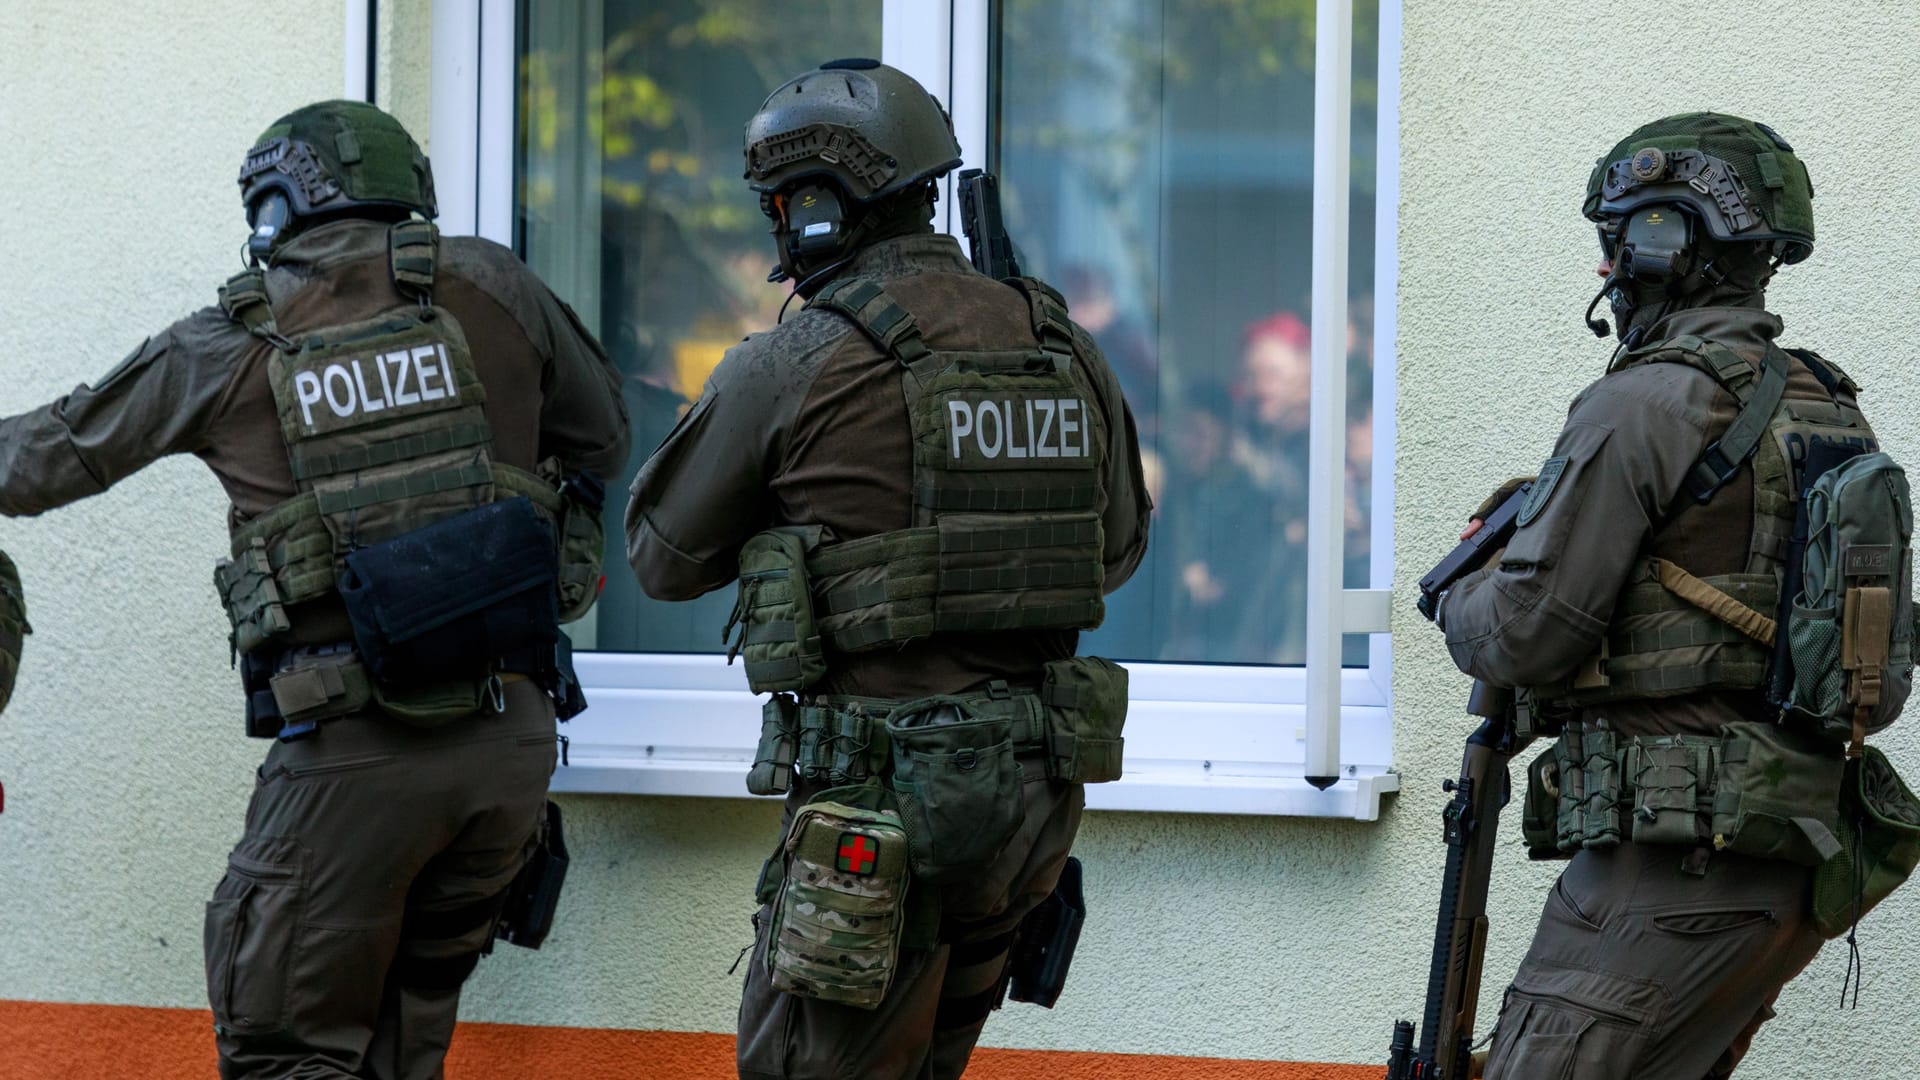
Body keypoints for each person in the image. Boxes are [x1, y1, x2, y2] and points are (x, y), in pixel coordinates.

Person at [0, 100, 628, 1078]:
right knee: (401, 1047)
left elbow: (36, 465)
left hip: (352, 758)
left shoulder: (230, 339)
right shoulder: (497, 286)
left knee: (286, 1049)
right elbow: (603, 442)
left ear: (274, 208)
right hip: (510, 749)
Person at [624, 59, 1151, 1080]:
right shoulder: (1062, 341)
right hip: (1032, 808)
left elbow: (661, 558)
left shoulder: (795, 358)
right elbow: (1118, 553)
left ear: (822, 205)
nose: (778, 230)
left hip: (879, 812)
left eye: (783, 205)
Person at [1436, 113, 1885, 1078]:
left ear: (1668, 241)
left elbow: (1526, 633)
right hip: (1783, 861)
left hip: (1667, 875)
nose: (1607, 269)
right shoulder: (1825, 403)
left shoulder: (1644, 402)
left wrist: (1458, 593)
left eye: (1618, 240)